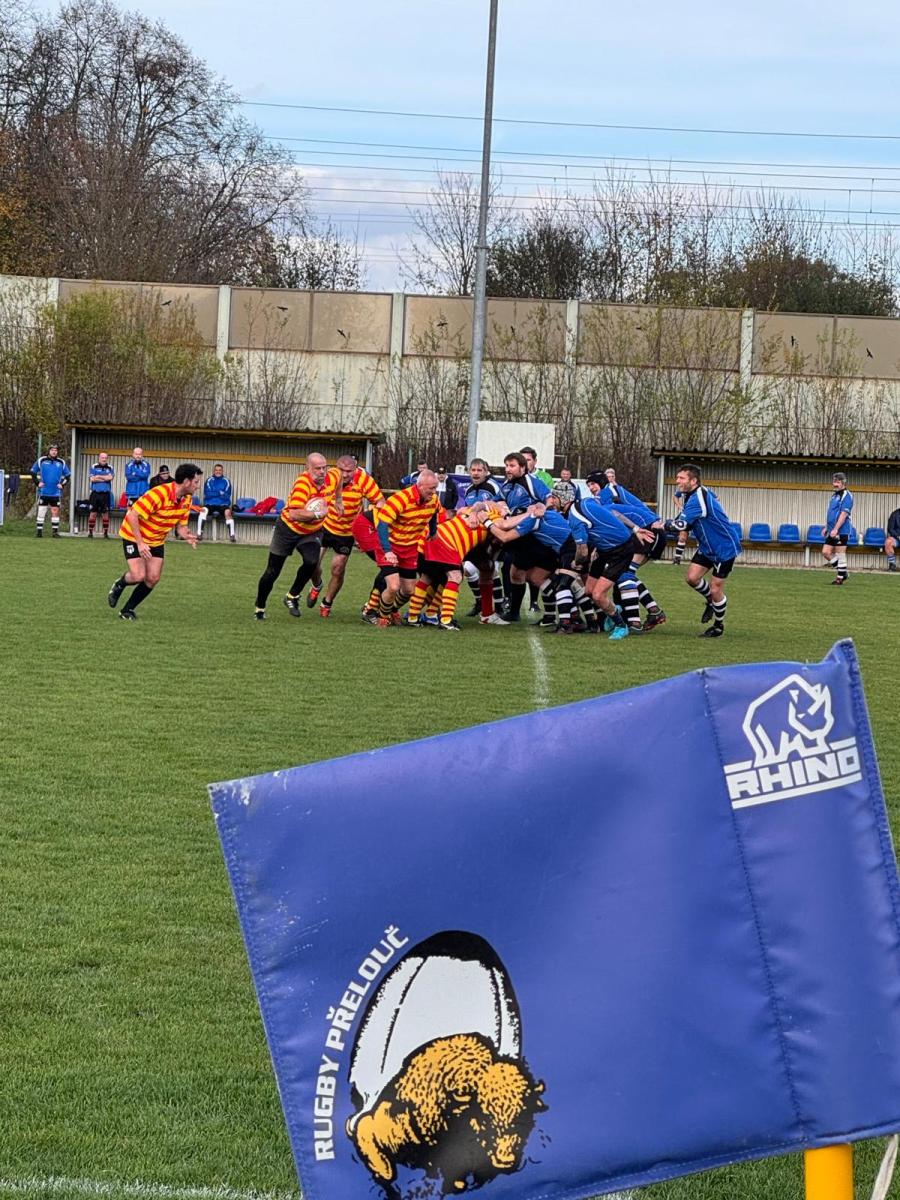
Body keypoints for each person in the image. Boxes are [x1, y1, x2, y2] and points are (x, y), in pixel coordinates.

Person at [107, 464, 202, 620]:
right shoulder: (158, 494)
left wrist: (186, 535)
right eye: (196, 482)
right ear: (186, 482)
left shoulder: (187, 499)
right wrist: (140, 543)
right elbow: (132, 515)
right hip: (133, 536)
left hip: (156, 539)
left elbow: (181, 526)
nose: (198, 486)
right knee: (138, 575)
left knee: (153, 578)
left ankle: (126, 611)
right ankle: (120, 584)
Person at [253, 453, 337, 620]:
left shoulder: (331, 477)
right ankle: (260, 607)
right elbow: (294, 514)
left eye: (324, 467)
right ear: (308, 468)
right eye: (317, 468)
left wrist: (339, 499)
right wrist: (319, 514)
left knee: (312, 562)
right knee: (272, 571)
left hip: (311, 532)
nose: (322, 471)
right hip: (287, 530)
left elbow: (340, 478)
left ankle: (292, 596)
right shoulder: (302, 484)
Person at [665, 464, 742, 638]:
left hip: (724, 548)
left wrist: (660, 525)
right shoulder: (694, 494)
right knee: (692, 578)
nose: (677, 481)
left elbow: (681, 525)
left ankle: (718, 626)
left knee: (716, 590)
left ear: (693, 481)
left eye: (681, 478)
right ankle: (710, 601)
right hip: (707, 547)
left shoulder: (698, 498)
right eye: (677, 477)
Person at [405, 503, 505, 631]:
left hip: (431, 535)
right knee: (455, 577)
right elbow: (503, 530)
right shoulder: (495, 517)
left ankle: (414, 617)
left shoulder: (469, 509)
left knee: (427, 577)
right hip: (447, 541)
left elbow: (461, 511)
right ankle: (446, 620)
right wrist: (517, 517)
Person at [568, 496, 653, 639]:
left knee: (598, 595)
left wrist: (575, 562)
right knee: (589, 591)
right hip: (604, 551)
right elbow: (614, 513)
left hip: (621, 552)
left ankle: (621, 625)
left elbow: (582, 553)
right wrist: (635, 528)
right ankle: (614, 609)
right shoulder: (587, 503)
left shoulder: (575, 519)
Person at [313, 454, 385, 617]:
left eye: (349, 471)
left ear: (356, 469)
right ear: (335, 468)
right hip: (324, 526)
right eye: (341, 470)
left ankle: (326, 603)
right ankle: (317, 585)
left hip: (346, 532)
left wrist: (374, 516)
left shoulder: (364, 480)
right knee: (312, 563)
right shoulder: (327, 477)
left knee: (338, 569)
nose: (345, 475)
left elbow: (380, 501)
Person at [372, 469, 440, 626]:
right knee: (394, 586)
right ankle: (383, 617)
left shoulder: (433, 500)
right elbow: (382, 525)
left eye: (435, 488)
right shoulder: (400, 499)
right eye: (431, 488)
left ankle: (392, 609)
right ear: (420, 486)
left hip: (410, 548)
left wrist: (433, 531)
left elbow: (434, 512)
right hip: (390, 545)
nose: (434, 492)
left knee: (409, 590)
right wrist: (388, 551)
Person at [30, 442, 70, 537]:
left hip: (55, 492)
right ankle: (39, 532)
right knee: (41, 511)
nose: (54, 452)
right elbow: (33, 471)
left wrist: (62, 484)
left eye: (56, 450)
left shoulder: (61, 462)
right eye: (52, 450)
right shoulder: (42, 460)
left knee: (55, 511)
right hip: (44, 491)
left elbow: (68, 476)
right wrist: (37, 483)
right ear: (49, 451)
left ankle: (55, 533)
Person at [822, 471, 854, 585]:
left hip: (842, 530)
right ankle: (843, 572)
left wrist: (836, 529)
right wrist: (827, 527)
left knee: (840, 554)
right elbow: (832, 513)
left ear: (843, 483)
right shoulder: (834, 495)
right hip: (832, 530)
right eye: (834, 482)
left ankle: (840, 578)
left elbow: (843, 514)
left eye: (837, 482)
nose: (834, 484)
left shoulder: (847, 495)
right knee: (826, 552)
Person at [198, 463, 236, 542]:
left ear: (222, 471)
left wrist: (214, 493)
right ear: (214, 471)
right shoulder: (209, 480)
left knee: (228, 512)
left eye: (219, 470)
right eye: (216, 470)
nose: (218, 471)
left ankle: (232, 536)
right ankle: (199, 534)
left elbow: (227, 496)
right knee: (203, 511)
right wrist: (219, 493)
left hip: (222, 504)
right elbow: (207, 494)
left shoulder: (226, 481)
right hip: (210, 503)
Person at [87, 451, 115, 537]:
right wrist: (105, 478)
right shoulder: (94, 466)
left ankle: (105, 533)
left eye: (105, 458)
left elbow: (110, 478)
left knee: (105, 514)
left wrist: (98, 476)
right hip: (95, 493)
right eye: (102, 458)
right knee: (93, 513)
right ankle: (90, 532)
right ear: (99, 458)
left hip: (105, 494)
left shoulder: (110, 467)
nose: (104, 459)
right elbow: (92, 479)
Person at [885, 507, 900, 571]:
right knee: (888, 542)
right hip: (897, 538)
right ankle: (892, 565)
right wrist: (898, 536)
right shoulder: (894, 514)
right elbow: (890, 529)